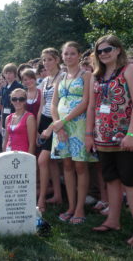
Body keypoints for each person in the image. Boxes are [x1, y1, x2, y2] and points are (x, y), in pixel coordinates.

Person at [86, 35, 133, 246]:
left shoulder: (130, 70)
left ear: (118, 49)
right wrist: (89, 135)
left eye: (108, 49)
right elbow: (92, 107)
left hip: (127, 138)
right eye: (100, 51)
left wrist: (131, 134)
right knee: (111, 180)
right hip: (103, 139)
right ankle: (113, 220)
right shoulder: (96, 76)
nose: (104, 54)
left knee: (130, 183)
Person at [48, 41, 97, 224]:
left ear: (79, 55)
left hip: (78, 125)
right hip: (60, 127)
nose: (69, 57)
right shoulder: (60, 77)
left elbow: (86, 102)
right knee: (66, 166)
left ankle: (79, 209)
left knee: (80, 166)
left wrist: (63, 121)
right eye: (66, 54)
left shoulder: (86, 75)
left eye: (72, 53)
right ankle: (70, 206)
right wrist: (57, 124)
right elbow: (53, 103)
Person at [37, 48, 64, 212]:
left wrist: (51, 126)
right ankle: (58, 195)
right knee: (52, 162)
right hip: (44, 120)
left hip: (57, 121)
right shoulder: (45, 80)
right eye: (44, 60)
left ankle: (41, 201)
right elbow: (41, 106)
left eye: (49, 59)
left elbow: (60, 104)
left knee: (42, 160)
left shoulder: (63, 77)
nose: (46, 63)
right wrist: (38, 129)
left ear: (57, 60)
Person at [3, 89, 36, 155]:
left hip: (23, 154)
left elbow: (32, 143)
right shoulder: (8, 118)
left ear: (25, 101)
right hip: (9, 153)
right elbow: (5, 140)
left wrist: (29, 159)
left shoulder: (29, 117)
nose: (17, 101)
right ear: (11, 101)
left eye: (21, 99)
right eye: (14, 99)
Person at [0, 63, 23, 127]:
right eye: (6, 73)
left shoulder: (19, 87)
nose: (8, 75)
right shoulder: (3, 88)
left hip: (16, 117)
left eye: (10, 73)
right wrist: (1, 121)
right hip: (5, 117)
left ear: (15, 74)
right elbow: (2, 106)